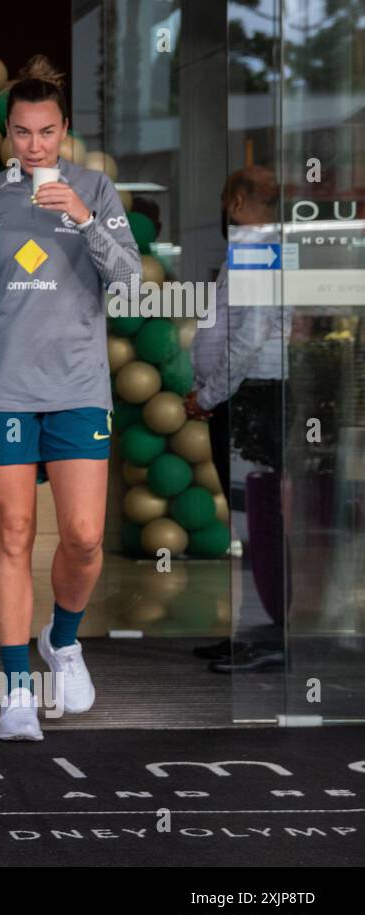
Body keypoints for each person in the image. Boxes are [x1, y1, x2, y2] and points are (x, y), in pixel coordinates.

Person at [0, 55, 141, 741]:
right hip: (0, 388)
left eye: (46, 132)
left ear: (64, 130)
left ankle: (64, 638)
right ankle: (18, 690)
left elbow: (130, 283)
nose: (35, 146)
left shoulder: (97, 189)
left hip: (79, 387)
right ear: (8, 133)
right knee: (13, 538)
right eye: (22, 134)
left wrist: (86, 216)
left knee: (84, 538)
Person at [186, 165, 287, 674]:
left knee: (256, 521)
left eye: (229, 202)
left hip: (250, 400)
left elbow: (250, 338)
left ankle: (269, 634)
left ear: (240, 200)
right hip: (241, 398)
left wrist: (208, 394)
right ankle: (253, 629)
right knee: (250, 522)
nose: (225, 212)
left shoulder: (258, 247)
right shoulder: (251, 248)